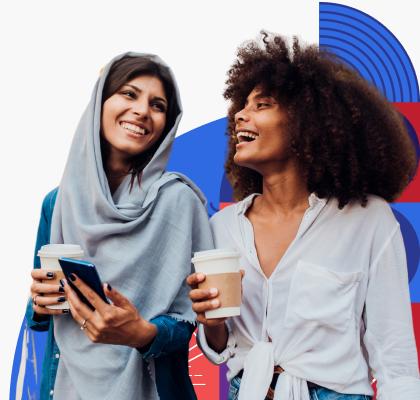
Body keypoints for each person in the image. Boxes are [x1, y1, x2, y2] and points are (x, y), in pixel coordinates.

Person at [187, 33, 420, 400]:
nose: (240, 116)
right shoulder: (222, 229)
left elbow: (395, 358)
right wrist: (212, 325)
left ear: (306, 123)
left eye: (262, 104)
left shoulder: (369, 221)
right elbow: (221, 349)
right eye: (241, 106)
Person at [26, 53, 213, 400]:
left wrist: (142, 333)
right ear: (100, 102)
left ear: (167, 125)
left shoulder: (178, 201)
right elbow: (40, 319)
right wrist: (39, 302)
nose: (142, 110)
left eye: (157, 105)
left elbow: (196, 320)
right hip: (67, 388)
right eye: (129, 94)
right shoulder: (58, 203)